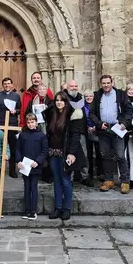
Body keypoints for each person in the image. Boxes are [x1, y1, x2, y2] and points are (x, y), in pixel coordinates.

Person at [45, 92, 86, 221]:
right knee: (57, 180)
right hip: (53, 152)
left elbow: (75, 136)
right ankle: (58, 207)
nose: (59, 102)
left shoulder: (71, 115)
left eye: (61, 100)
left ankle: (66, 208)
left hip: (65, 153)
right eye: (57, 100)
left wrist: (71, 153)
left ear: (66, 102)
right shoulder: (52, 113)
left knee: (65, 180)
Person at [90, 75, 133, 194]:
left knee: (120, 155)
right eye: (104, 83)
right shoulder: (97, 95)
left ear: (112, 83)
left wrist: (124, 123)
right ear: (101, 84)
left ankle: (125, 181)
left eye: (108, 83)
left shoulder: (120, 94)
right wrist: (99, 124)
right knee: (105, 155)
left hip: (117, 128)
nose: (106, 85)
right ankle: (109, 180)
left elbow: (129, 110)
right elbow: (91, 113)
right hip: (103, 130)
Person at [16, 113, 49, 220]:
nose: (30, 124)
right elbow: (18, 149)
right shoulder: (23, 135)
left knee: (33, 187)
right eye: (28, 122)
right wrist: (18, 161)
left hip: (35, 166)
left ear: (36, 122)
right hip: (25, 166)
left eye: (32, 122)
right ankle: (27, 210)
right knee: (27, 187)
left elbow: (44, 151)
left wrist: (38, 161)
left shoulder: (42, 136)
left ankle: (33, 211)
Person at [0, 77, 22, 177]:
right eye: (5, 84)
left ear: (12, 85)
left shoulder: (16, 96)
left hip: (12, 124)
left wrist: (16, 111)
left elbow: (20, 109)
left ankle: (12, 170)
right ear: (3, 85)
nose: (7, 85)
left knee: (13, 147)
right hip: (0, 124)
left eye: (9, 83)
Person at [64, 79, 89, 185]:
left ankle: (85, 176)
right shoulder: (64, 98)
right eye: (71, 86)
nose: (74, 88)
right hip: (68, 131)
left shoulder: (81, 98)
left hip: (81, 131)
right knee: (69, 153)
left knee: (84, 153)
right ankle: (70, 176)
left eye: (75, 86)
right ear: (67, 88)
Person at [83, 90, 100, 184]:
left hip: (97, 131)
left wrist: (95, 127)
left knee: (99, 152)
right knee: (88, 154)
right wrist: (87, 127)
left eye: (90, 96)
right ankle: (90, 174)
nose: (89, 98)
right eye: (87, 96)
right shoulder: (82, 107)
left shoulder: (97, 105)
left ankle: (100, 173)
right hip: (87, 131)